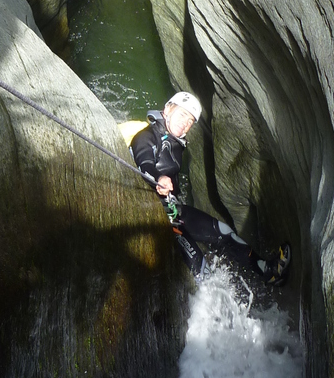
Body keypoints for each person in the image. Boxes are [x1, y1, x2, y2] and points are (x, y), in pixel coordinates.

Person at [123, 91, 291, 285]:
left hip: (174, 211)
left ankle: (267, 270)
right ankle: (213, 312)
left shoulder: (176, 143)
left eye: (190, 121)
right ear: (168, 109)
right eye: (182, 114)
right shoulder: (146, 136)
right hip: (154, 213)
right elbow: (145, 164)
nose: (185, 122)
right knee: (201, 268)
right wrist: (159, 178)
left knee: (224, 232)